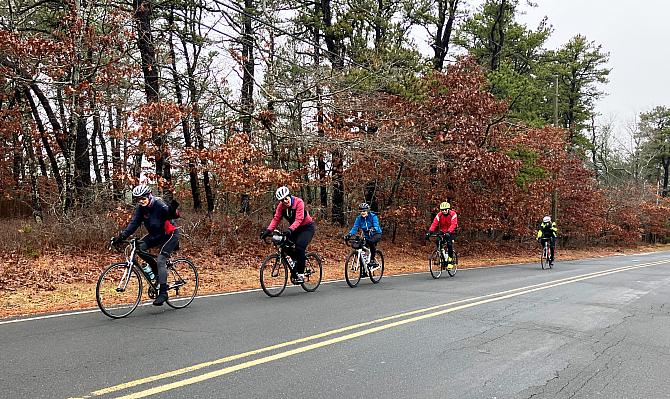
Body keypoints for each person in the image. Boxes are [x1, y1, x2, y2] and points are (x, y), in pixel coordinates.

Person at [112, 184, 180, 306]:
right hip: (155, 235)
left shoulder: (158, 204)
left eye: (143, 198)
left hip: (169, 234)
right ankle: (157, 274)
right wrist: (121, 237)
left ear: (149, 196)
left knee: (160, 260)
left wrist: (173, 210)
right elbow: (133, 224)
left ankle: (163, 293)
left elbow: (171, 215)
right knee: (138, 248)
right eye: (138, 199)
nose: (141, 201)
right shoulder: (141, 208)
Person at [260, 186, 315, 284]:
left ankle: (301, 274)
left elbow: (299, 219)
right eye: (282, 200)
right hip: (294, 228)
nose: (285, 201)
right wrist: (268, 231)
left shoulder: (299, 202)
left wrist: (290, 230)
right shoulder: (281, 207)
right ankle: (296, 262)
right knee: (285, 245)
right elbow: (276, 219)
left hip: (307, 227)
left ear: (290, 195)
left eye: (286, 198)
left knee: (299, 247)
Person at [345, 203, 382, 275]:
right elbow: (355, 228)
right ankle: (364, 270)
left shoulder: (373, 216)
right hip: (366, 235)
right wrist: (349, 235)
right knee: (361, 249)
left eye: (364, 211)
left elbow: (376, 225)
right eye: (361, 211)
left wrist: (373, 229)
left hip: (376, 234)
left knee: (371, 242)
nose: (363, 212)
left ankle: (372, 260)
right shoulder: (359, 219)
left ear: (367, 211)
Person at [425, 201, 458, 269]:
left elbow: (454, 224)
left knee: (449, 244)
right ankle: (442, 256)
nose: (444, 211)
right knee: (438, 241)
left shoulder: (453, 214)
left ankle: (450, 260)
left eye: (445, 209)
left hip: (452, 232)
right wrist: (430, 232)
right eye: (442, 210)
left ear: (448, 209)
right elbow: (434, 223)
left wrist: (449, 232)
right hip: (443, 231)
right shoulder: (439, 215)